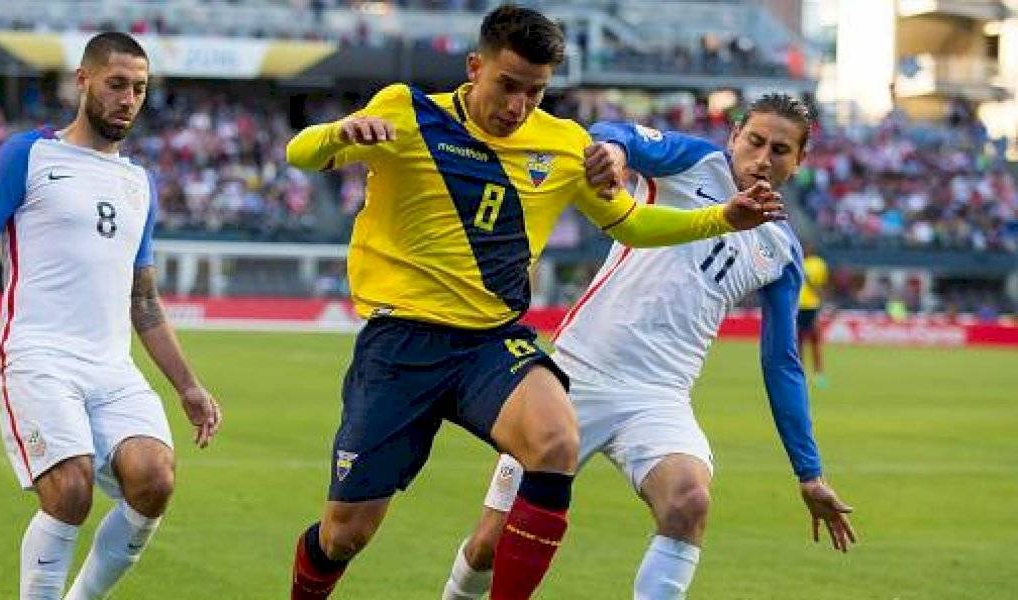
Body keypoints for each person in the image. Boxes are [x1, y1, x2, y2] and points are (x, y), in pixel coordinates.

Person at [283, 6, 785, 599]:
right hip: (401, 343)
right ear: (475, 67)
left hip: (489, 343)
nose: (518, 106)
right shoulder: (406, 111)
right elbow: (301, 154)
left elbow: (629, 223)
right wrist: (338, 134)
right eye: (508, 85)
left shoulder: (565, 145)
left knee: (555, 440)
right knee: (345, 535)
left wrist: (720, 218)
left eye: (536, 92)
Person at [441, 95, 857, 600]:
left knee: (689, 502)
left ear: (800, 160)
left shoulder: (783, 251)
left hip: (659, 398)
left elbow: (782, 363)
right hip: (574, 376)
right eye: (755, 141)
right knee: (491, 544)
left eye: (781, 150)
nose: (763, 158)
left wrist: (809, 473)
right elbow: (619, 133)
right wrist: (615, 153)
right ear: (734, 137)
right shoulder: (694, 162)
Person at [0, 32, 221, 600]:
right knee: (69, 491)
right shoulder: (27, 155)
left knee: (155, 479)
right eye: (116, 84)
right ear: (83, 81)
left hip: (112, 367)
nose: (128, 99)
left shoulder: (139, 182)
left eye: (139, 88)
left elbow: (144, 300)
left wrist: (188, 386)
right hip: (38, 356)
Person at [797, 243, 829, 387]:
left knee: (814, 340)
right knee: (799, 341)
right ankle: (801, 373)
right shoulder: (797, 260)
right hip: (798, 305)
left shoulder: (818, 264)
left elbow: (821, 284)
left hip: (811, 305)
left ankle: (818, 373)